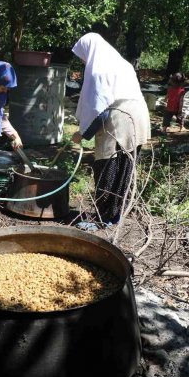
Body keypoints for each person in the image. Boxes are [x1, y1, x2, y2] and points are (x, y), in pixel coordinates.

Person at [70, 33, 151, 230]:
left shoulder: (99, 70)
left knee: (108, 167)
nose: (82, 60)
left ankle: (102, 219)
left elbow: (100, 110)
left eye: (82, 55)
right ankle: (114, 215)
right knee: (125, 167)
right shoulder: (121, 64)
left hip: (120, 120)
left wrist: (83, 134)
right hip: (138, 117)